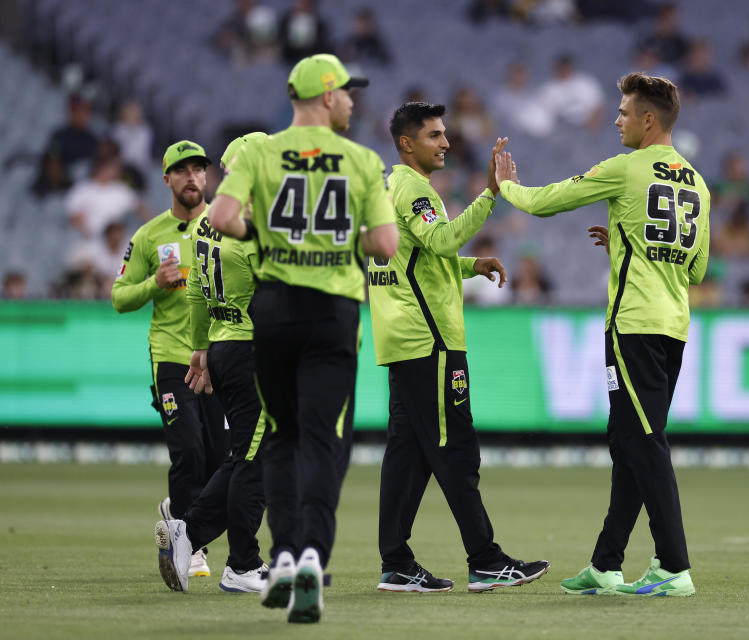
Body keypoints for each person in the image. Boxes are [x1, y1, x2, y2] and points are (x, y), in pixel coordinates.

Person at [494, 72, 709, 597]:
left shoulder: (627, 169)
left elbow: (547, 202)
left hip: (632, 325)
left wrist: (506, 187)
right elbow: (696, 270)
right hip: (673, 326)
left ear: (648, 119)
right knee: (630, 444)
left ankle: (672, 566)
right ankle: (606, 564)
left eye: (623, 112)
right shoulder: (698, 183)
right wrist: (625, 242)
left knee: (644, 444)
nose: (616, 120)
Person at [206, 53, 397, 624]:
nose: (353, 102)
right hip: (332, 311)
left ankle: (284, 558)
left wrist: (268, 236)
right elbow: (385, 244)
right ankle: (312, 558)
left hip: (275, 308)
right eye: (348, 93)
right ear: (327, 95)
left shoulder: (261, 152)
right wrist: (336, 241)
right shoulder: (360, 160)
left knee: (283, 438)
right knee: (320, 441)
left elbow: (220, 216)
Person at [368, 102, 549, 594]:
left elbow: (418, 257)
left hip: (403, 339)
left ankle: (396, 563)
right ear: (407, 143)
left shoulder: (387, 189)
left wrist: (472, 266)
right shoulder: (413, 189)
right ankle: (486, 560)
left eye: (444, 134)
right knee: (456, 451)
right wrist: (490, 194)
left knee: (408, 455)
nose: (446, 142)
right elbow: (442, 239)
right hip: (432, 342)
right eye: (434, 135)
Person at [154, 133, 271, 595]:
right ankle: (240, 562)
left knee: (244, 454)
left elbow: (199, 294)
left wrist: (201, 350)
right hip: (253, 352)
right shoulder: (254, 222)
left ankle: (192, 533)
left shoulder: (209, 223)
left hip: (223, 347)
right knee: (251, 460)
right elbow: (274, 299)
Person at [112, 141, 229, 582]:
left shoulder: (225, 225)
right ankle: (191, 546)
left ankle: (176, 513)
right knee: (189, 454)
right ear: (167, 179)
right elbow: (119, 296)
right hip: (171, 360)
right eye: (181, 171)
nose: (192, 177)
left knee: (221, 461)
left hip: (217, 360)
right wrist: (153, 286)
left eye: (199, 169)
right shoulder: (148, 235)